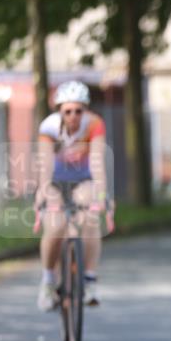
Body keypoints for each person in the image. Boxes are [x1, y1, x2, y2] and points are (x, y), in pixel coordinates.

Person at [35, 80, 108, 311]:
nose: (73, 116)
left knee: (90, 218)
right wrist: (43, 193)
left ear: (85, 109)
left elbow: (97, 162)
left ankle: (89, 279)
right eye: (68, 111)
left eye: (79, 110)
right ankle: (48, 281)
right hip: (56, 180)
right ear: (60, 110)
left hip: (82, 179)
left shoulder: (94, 124)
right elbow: (45, 166)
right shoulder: (48, 127)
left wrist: (102, 194)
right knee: (55, 227)